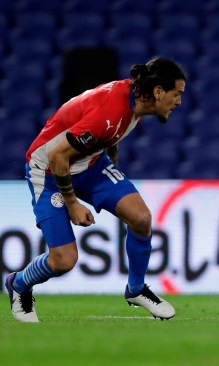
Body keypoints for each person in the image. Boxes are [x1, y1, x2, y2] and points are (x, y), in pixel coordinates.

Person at [4, 58, 186, 322]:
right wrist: (72, 203)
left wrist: (115, 176)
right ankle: (19, 284)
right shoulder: (109, 112)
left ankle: (136, 289)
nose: (179, 102)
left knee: (141, 218)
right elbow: (57, 156)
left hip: (91, 164)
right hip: (49, 171)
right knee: (63, 261)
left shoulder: (133, 100)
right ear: (158, 92)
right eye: (177, 94)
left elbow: (110, 136)